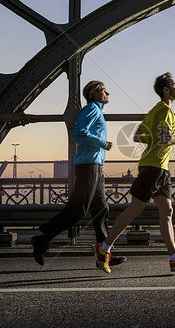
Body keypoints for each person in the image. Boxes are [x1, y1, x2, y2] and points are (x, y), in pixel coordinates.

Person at [93, 72, 175, 273]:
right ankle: (104, 248)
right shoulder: (165, 111)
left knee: (167, 210)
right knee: (136, 208)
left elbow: (137, 136)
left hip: (161, 168)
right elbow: (166, 139)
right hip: (153, 167)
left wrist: (156, 140)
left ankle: (174, 257)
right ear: (166, 90)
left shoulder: (154, 111)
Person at [31, 81, 126, 267]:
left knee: (101, 210)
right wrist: (103, 142)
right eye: (103, 90)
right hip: (87, 166)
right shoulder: (91, 109)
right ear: (94, 93)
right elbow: (78, 134)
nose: (107, 93)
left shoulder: (96, 110)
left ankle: (103, 255)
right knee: (79, 210)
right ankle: (42, 238)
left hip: (95, 167)